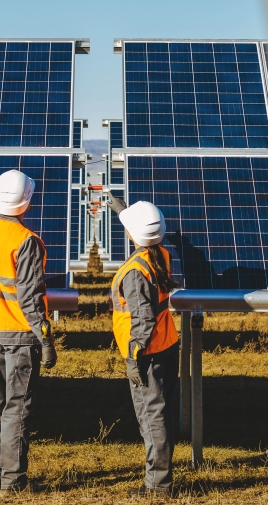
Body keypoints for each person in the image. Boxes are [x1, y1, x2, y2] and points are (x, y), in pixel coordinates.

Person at [0, 169, 58, 495]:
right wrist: (46, 339)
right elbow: (31, 298)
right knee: (16, 409)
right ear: (26, 201)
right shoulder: (27, 241)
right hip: (20, 337)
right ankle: (13, 483)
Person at [107, 197, 181, 498]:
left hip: (146, 353)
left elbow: (142, 319)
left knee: (152, 417)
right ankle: (159, 479)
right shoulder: (159, 254)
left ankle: (158, 487)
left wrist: (133, 357)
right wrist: (125, 212)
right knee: (160, 412)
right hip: (165, 343)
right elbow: (145, 234)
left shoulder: (135, 271)